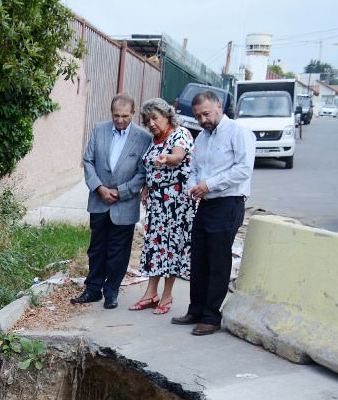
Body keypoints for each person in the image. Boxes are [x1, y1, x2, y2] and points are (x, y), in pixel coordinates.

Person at [171, 90, 256, 335]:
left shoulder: (238, 132)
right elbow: (195, 169)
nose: (202, 120)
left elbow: (243, 169)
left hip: (228, 203)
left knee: (218, 261)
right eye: (197, 116)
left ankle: (211, 316)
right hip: (205, 204)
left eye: (206, 113)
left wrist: (209, 184)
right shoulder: (202, 138)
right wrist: (193, 186)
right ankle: (196, 309)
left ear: (219, 106)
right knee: (199, 259)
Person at [72, 93, 152, 310]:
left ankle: (111, 292)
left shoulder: (144, 138)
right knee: (96, 247)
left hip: (124, 203)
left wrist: (120, 192)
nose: (120, 120)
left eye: (125, 116)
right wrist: (99, 188)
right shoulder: (99, 130)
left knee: (119, 250)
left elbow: (143, 172)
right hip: (99, 200)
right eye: (116, 115)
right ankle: (92, 289)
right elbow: (88, 160)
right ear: (111, 113)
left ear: (133, 114)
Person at [129, 98, 196, 315]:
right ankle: (151, 292)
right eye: (147, 120)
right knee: (155, 247)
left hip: (176, 201)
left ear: (167, 116)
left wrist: (166, 158)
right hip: (158, 202)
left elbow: (177, 157)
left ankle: (166, 295)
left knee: (171, 247)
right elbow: (150, 167)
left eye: (155, 118)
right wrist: (147, 187)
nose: (151, 123)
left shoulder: (180, 134)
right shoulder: (155, 140)